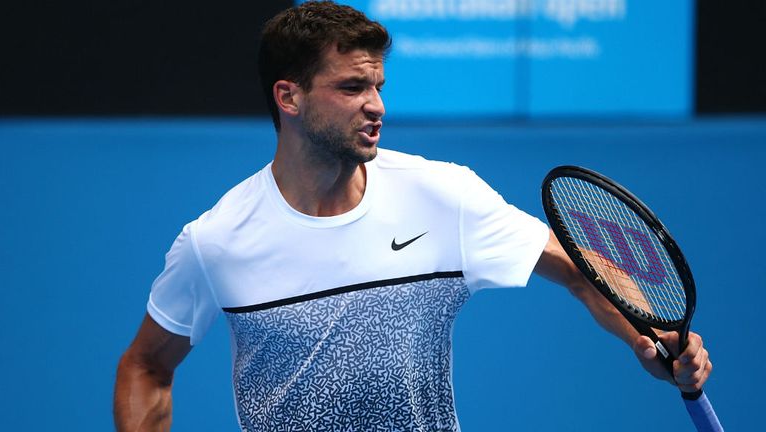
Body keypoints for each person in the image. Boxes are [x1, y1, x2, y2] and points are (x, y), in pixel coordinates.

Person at [114, 1, 712, 431]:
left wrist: (649, 337)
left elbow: (585, 270)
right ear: (288, 96)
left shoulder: (442, 194)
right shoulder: (216, 241)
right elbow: (146, 365)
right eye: (351, 87)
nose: (376, 106)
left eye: (377, 84)